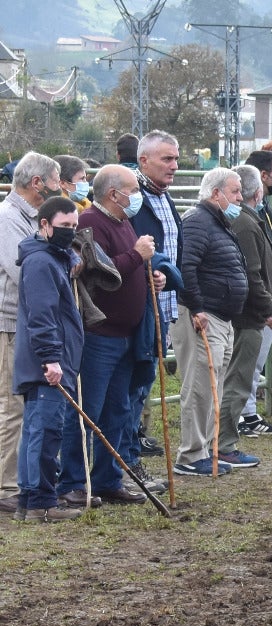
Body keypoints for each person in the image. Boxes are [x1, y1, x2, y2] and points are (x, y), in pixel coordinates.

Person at [59, 164, 165, 507]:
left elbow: (128, 267)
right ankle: (73, 482)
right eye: (133, 190)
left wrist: (151, 276)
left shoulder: (123, 221)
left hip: (125, 333)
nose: (137, 197)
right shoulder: (91, 223)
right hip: (99, 334)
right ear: (112, 193)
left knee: (118, 409)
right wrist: (138, 255)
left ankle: (107, 479)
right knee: (87, 410)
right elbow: (101, 271)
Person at [13, 196, 85, 521]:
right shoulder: (41, 263)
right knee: (45, 431)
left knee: (35, 430)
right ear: (44, 225)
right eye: (64, 227)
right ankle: (42, 502)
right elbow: (42, 316)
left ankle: (30, 500)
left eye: (74, 226)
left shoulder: (52, 258)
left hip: (49, 361)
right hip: (47, 365)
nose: (70, 232)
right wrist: (52, 359)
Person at [173, 167, 249, 476]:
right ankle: (191, 454)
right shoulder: (198, 222)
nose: (240, 198)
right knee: (201, 386)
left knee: (212, 383)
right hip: (203, 317)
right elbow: (186, 266)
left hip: (221, 317)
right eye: (234, 192)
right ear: (215, 193)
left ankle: (204, 449)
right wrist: (197, 307)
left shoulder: (219, 222)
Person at [0, 152, 61, 514]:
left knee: (19, 405)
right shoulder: (9, 219)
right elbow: (22, 271)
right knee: (12, 405)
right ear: (37, 182)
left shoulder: (26, 218)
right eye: (55, 181)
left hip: (23, 321)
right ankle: (6, 484)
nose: (59, 188)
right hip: (9, 322)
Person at [218, 164, 272, 465]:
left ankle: (222, 441)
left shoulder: (252, 219)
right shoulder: (245, 224)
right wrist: (269, 309)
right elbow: (251, 273)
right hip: (247, 316)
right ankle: (225, 445)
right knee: (239, 380)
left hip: (250, 312)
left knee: (240, 380)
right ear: (257, 191)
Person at [128, 131, 184, 471]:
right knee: (132, 387)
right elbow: (125, 250)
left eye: (176, 159)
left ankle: (131, 453)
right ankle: (125, 459)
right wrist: (148, 273)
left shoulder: (166, 197)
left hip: (163, 307)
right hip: (138, 308)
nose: (174, 166)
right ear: (143, 160)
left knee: (144, 382)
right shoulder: (132, 198)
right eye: (167, 159)